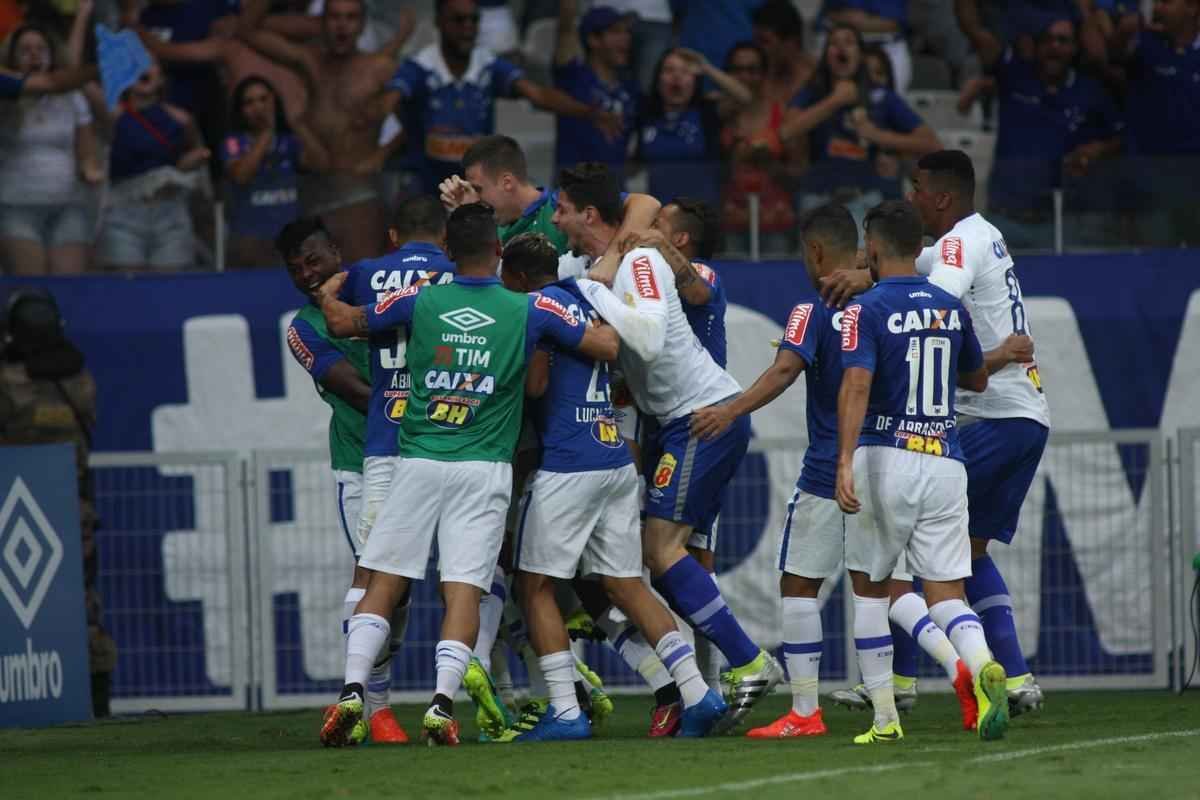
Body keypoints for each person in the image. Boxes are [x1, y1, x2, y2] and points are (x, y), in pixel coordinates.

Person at [315, 202, 620, 747]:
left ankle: (353, 691)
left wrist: (329, 291)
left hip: (419, 460)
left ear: (449, 253)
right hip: (484, 469)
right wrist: (580, 305)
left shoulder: (422, 297)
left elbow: (343, 321)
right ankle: (439, 704)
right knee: (462, 591)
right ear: (500, 252)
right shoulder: (529, 308)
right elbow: (606, 345)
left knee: (383, 578)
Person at [822, 150, 1051, 718]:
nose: (912, 197)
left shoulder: (955, 247)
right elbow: (917, 263)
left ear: (943, 197)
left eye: (917, 187)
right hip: (1023, 416)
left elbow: (934, 310)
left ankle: (904, 680)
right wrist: (871, 265)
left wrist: (869, 278)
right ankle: (1014, 677)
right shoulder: (981, 236)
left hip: (990, 415)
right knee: (965, 554)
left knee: (903, 555)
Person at [557, 163, 783, 735]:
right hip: (677, 422)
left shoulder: (641, 262)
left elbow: (651, 337)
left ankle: (750, 663)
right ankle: (711, 685)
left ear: (587, 215)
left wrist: (591, 294)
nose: (554, 219)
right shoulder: (598, 268)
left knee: (661, 551)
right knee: (670, 558)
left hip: (701, 417)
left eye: (560, 209)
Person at [498, 231, 728, 741]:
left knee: (532, 585)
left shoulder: (533, 307)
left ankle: (565, 710)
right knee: (625, 584)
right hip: (613, 454)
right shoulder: (586, 296)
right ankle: (696, 693)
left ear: (514, 277)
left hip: (568, 463)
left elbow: (536, 385)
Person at [834, 199, 1008, 744]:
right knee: (948, 594)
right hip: (946, 459)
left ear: (873, 247)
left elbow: (857, 383)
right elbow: (977, 379)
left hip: (887, 454)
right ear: (919, 247)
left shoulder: (866, 308)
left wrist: (843, 460)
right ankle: (982, 666)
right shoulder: (949, 305)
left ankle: (885, 718)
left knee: (870, 589)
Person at [276, 216, 403, 742]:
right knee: (374, 577)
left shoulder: (381, 290)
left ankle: (508, 698)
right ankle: (373, 709)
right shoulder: (302, 327)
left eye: (314, 259)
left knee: (427, 586)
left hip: (427, 456)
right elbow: (355, 389)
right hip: (361, 460)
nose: (308, 273)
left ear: (335, 249)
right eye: (296, 268)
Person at [0, 288, 115, 718]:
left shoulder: (9, 383)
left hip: (15, 514)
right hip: (73, 510)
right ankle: (97, 702)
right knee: (84, 606)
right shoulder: (79, 380)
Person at [237, 0, 413, 263]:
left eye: (351, 18)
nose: (342, 25)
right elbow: (247, 31)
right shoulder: (310, 62)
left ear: (362, 24)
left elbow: (414, 123)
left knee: (359, 280)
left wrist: (380, 155)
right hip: (313, 190)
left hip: (358, 193)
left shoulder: (379, 68)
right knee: (315, 287)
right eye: (334, 17)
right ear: (321, 23)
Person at [390, 0, 620, 196]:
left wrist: (590, 112)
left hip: (476, 185)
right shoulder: (420, 66)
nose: (468, 28)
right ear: (439, 21)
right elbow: (387, 103)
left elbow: (537, 94)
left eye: (474, 20)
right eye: (459, 20)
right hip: (427, 183)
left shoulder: (487, 63)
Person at [959, 15, 1123, 249]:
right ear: (1035, 46)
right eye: (1047, 40)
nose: (1054, 46)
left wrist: (1098, 149)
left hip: (1059, 222)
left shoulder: (1090, 92)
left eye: (1062, 40)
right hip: (1003, 220)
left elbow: (1122, 139)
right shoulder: (1014, 77)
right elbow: (975, 31)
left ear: (1075, 47)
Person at [784, 24, 940, 228]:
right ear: (825, 54)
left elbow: (931, 143)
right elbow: (786, 131)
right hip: (817, 198)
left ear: (860, 54)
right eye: (833, 43)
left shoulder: (882, 96)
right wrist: (834, 101)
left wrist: (874, 134)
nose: (841, 48)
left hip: (864, 202)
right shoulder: (813, 93)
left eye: (849, 42)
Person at [440, 133, 662, 266]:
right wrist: (466, 217)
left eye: (479, 189)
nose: (477, 197)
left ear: (507, 182)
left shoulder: (563, 206)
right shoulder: (488, 223)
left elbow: (647, 204)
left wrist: (612, 259)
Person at [0, 20, 103, 275]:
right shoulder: (5, 95)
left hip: (67, 204)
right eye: (25, 50)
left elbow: (87, 152)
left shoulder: (74, 99)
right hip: (17, 205)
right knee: (32, 293)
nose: (34, 55)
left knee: (69, 292)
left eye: (41, 49)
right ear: (11, 58)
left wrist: (90, 168)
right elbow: (52, 83)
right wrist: (103, 65)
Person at [97, 59, 212, 272]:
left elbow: (198, 157)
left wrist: (189, 163)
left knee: (170, 290)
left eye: (149, 64)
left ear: (161, 77)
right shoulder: (112, 115)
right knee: (127, 291)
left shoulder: (182, 119)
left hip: (171, 214)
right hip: (124, 214)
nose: (143, 69)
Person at [1105, 0, 1200, 245]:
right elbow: (1110, 57)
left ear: (1192, 7)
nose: (1159, 7)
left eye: (1167, 1)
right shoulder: (1145, 46)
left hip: (1195, 186)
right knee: (1155, 267)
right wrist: (1129, 29)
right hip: (1150, 188)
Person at [223, 76, 329, 268]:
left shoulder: (290, 141)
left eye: (264, 99)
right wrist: (266, 133)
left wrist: (297, 124)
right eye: (249, 102)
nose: (258, 107)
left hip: (291, 239)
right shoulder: (234, 142)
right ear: (241, 110)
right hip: (250, 239)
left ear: (275, 101)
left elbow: (321, 164)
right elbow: (240, 176)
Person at [719, 41, 806, 255]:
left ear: (764, 74)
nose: (745, 77)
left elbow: (801, 170)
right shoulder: (717, 116)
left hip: (776, 220)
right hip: (729, 219)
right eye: (737, 70)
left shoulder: (782, 115)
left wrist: (772, 165)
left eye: (752, 70)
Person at [635, 48, 750, 210]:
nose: (677, 76)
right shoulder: (645, 113)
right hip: (660, 216)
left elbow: (744, 97)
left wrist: (706, 67)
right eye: (669, 70)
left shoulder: (707, 111)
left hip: (700, 216)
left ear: (696, 80)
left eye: (685, 71)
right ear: (658, 79)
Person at [553, 3, 640, 183]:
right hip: (573, 193)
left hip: (614, 194)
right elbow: (566, 28)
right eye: (616, 32)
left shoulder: (631, 88)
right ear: (593, 39)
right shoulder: (574, 77)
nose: (626, 38)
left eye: (627, 32)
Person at [819, 0, 913, 92]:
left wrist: (859, 22)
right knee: (837, 94)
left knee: (886, 98)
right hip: (845, 47)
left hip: (887, 46)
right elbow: (828, 14)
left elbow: (894, 22)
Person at [751, 0, 817, 104]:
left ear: (790, 43)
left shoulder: (820, 77)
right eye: (755, 41)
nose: (756, 48)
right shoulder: (757, 79)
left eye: (764, 41)